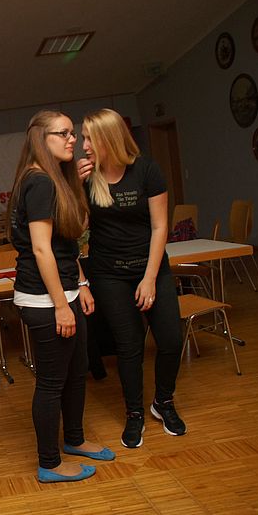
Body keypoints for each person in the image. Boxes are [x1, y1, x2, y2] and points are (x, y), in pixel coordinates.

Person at [7, 111, 115, 484]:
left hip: (64, 291)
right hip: (44, 300)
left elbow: (66, 241)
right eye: (64, 133)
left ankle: (75, 439)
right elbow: (41, 250)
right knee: (53, 382)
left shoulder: (52, 179)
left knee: (76, 371)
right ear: (41, 137)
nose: (73, 139)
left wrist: (80, 285)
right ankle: (49, 462)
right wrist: (60, 305)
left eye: (73, 133)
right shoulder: (39, 182)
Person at [76, 108, 186, 449]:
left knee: (171, 339)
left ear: (108, 139)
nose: (83, 145)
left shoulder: (147, 170)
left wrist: (150, 278)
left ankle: (163, 402)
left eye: (88, 138)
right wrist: (75, 187)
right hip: (109, 274)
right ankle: (134, 412)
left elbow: (160, 227)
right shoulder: (88, 177)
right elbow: (76, 229)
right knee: (129, 346)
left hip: (151, 268)